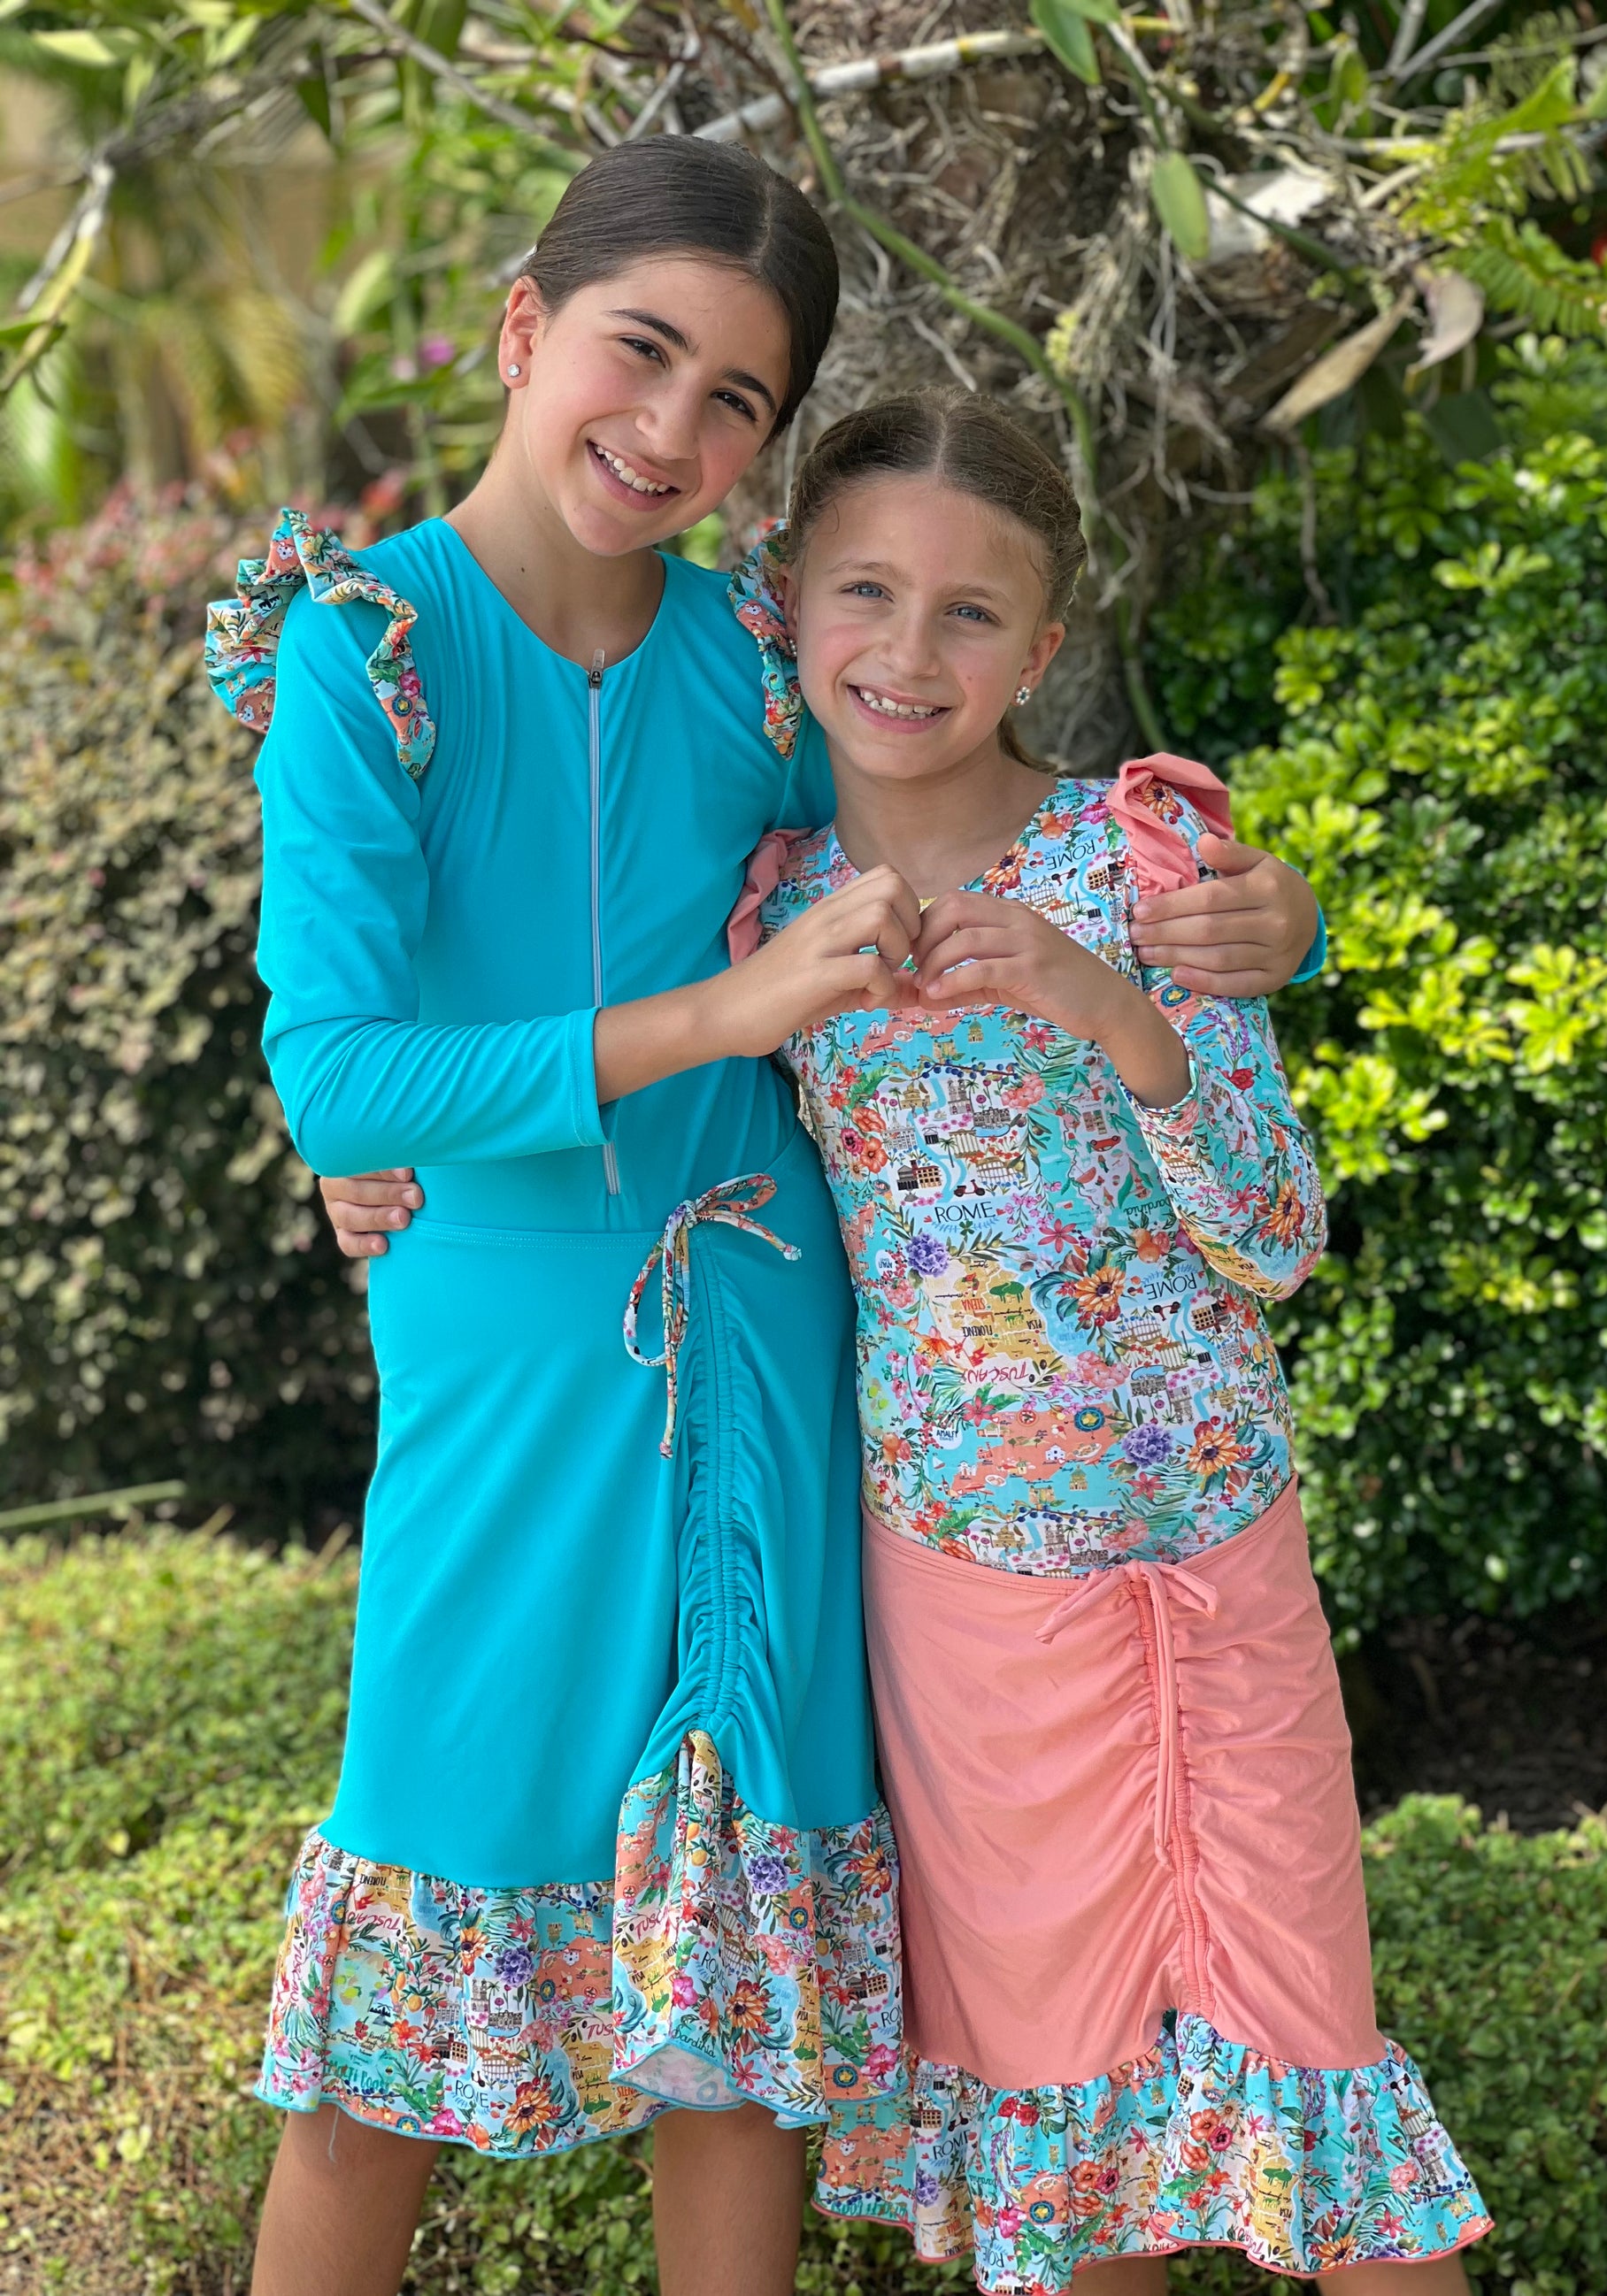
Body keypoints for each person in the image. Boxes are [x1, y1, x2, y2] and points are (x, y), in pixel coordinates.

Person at [209, 143, 1327, 2296]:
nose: (671, 427)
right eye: (640, 351)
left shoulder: (756, 658)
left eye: (736, 398)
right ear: (524, 327)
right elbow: (339, 1072)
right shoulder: (363, 656)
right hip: (507, 1372)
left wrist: (1255, 917)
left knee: (745, 2013)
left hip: (787, 1354)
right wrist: (700, 1020)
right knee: (389, 2017)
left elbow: (982, 819)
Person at [721, 388, 1492, 2292]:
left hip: (1204, 1565)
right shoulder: (764, 908)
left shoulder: (1143, 870)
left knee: (1310, 2060)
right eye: (864, 592)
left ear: (1042, 647)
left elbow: (1274, 1236)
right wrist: (378, 1160)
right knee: (1056, 2127)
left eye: (970, 612)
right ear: (788, 600)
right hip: (963, 1590)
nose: (909, 651)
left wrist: (1112, 1012)